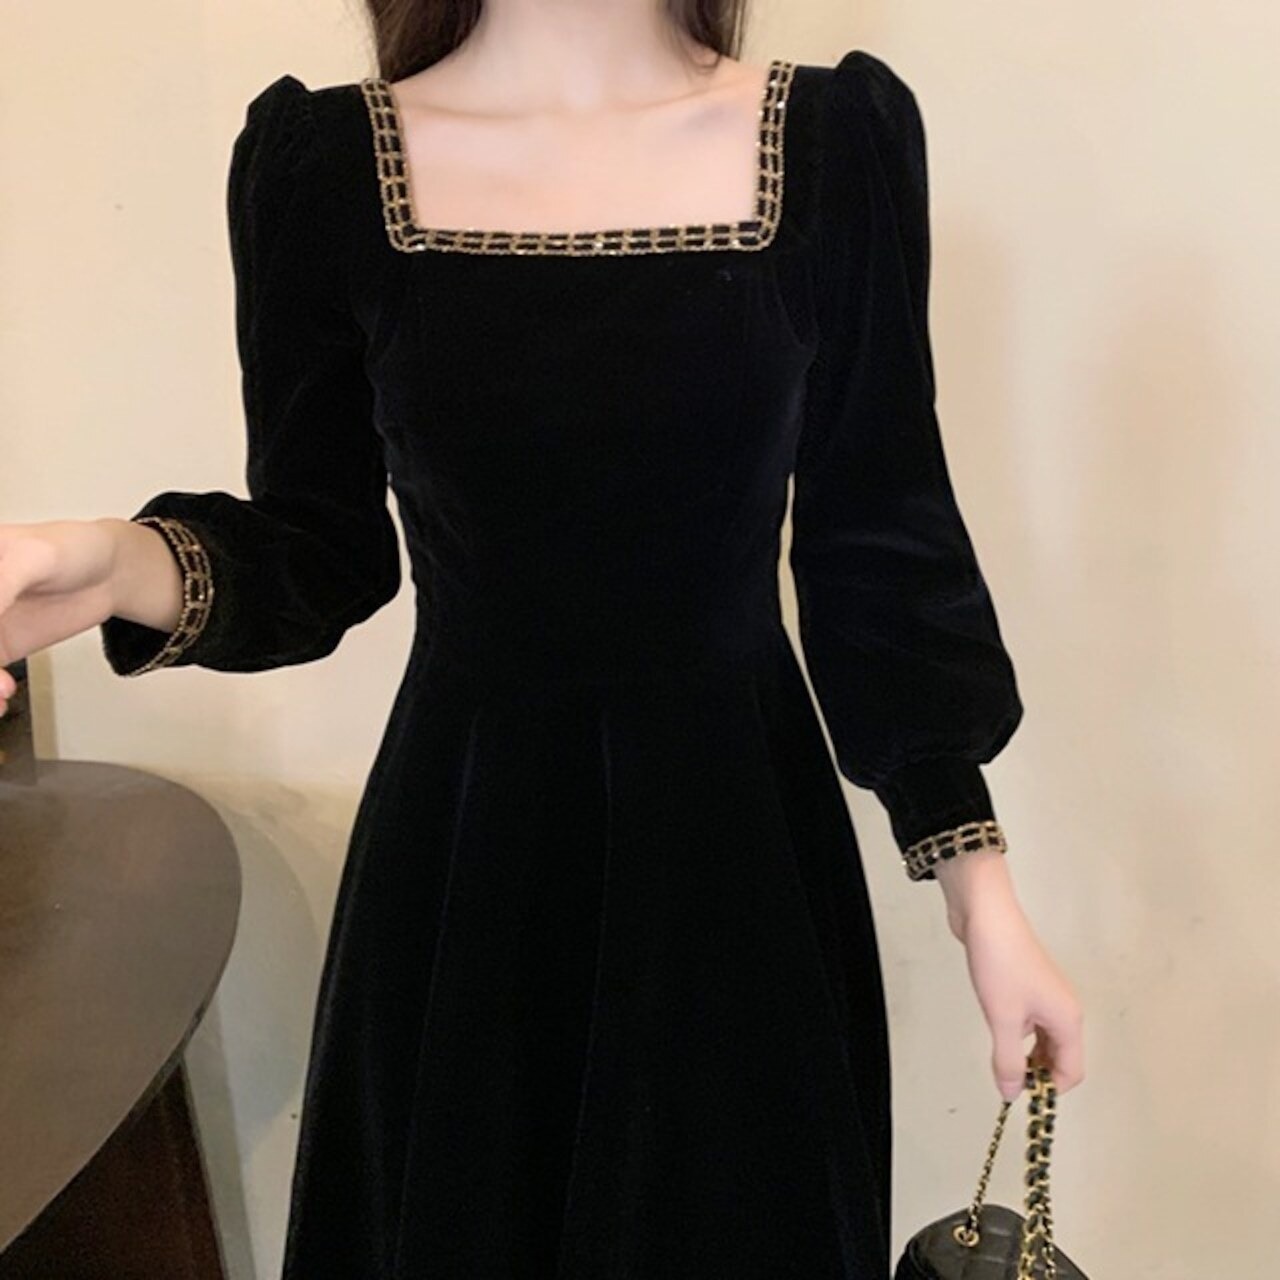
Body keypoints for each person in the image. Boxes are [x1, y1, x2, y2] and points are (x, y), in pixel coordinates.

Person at [0, 5, 1084, 1276]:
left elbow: (878, 535)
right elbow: (317, 548)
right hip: (466, 867)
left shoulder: (832, 143)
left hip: (739, 864)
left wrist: (978, 889)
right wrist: (106, 562)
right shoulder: (327, 168)